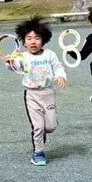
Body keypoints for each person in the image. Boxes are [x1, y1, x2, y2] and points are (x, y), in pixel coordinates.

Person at [8, 16, 67, 166]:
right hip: (31, 95)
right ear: (23, 42)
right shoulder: (22, 57)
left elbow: (58, 67)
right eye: (29, 38)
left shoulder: (49, 54)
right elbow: (14, 67)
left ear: (43, 40)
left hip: (48, 94)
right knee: (38, 126)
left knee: (50, 127)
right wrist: (10, 62)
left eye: (37, 38)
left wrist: (60, 76)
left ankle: (42, 133)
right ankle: (38, 153)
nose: (33, 41)